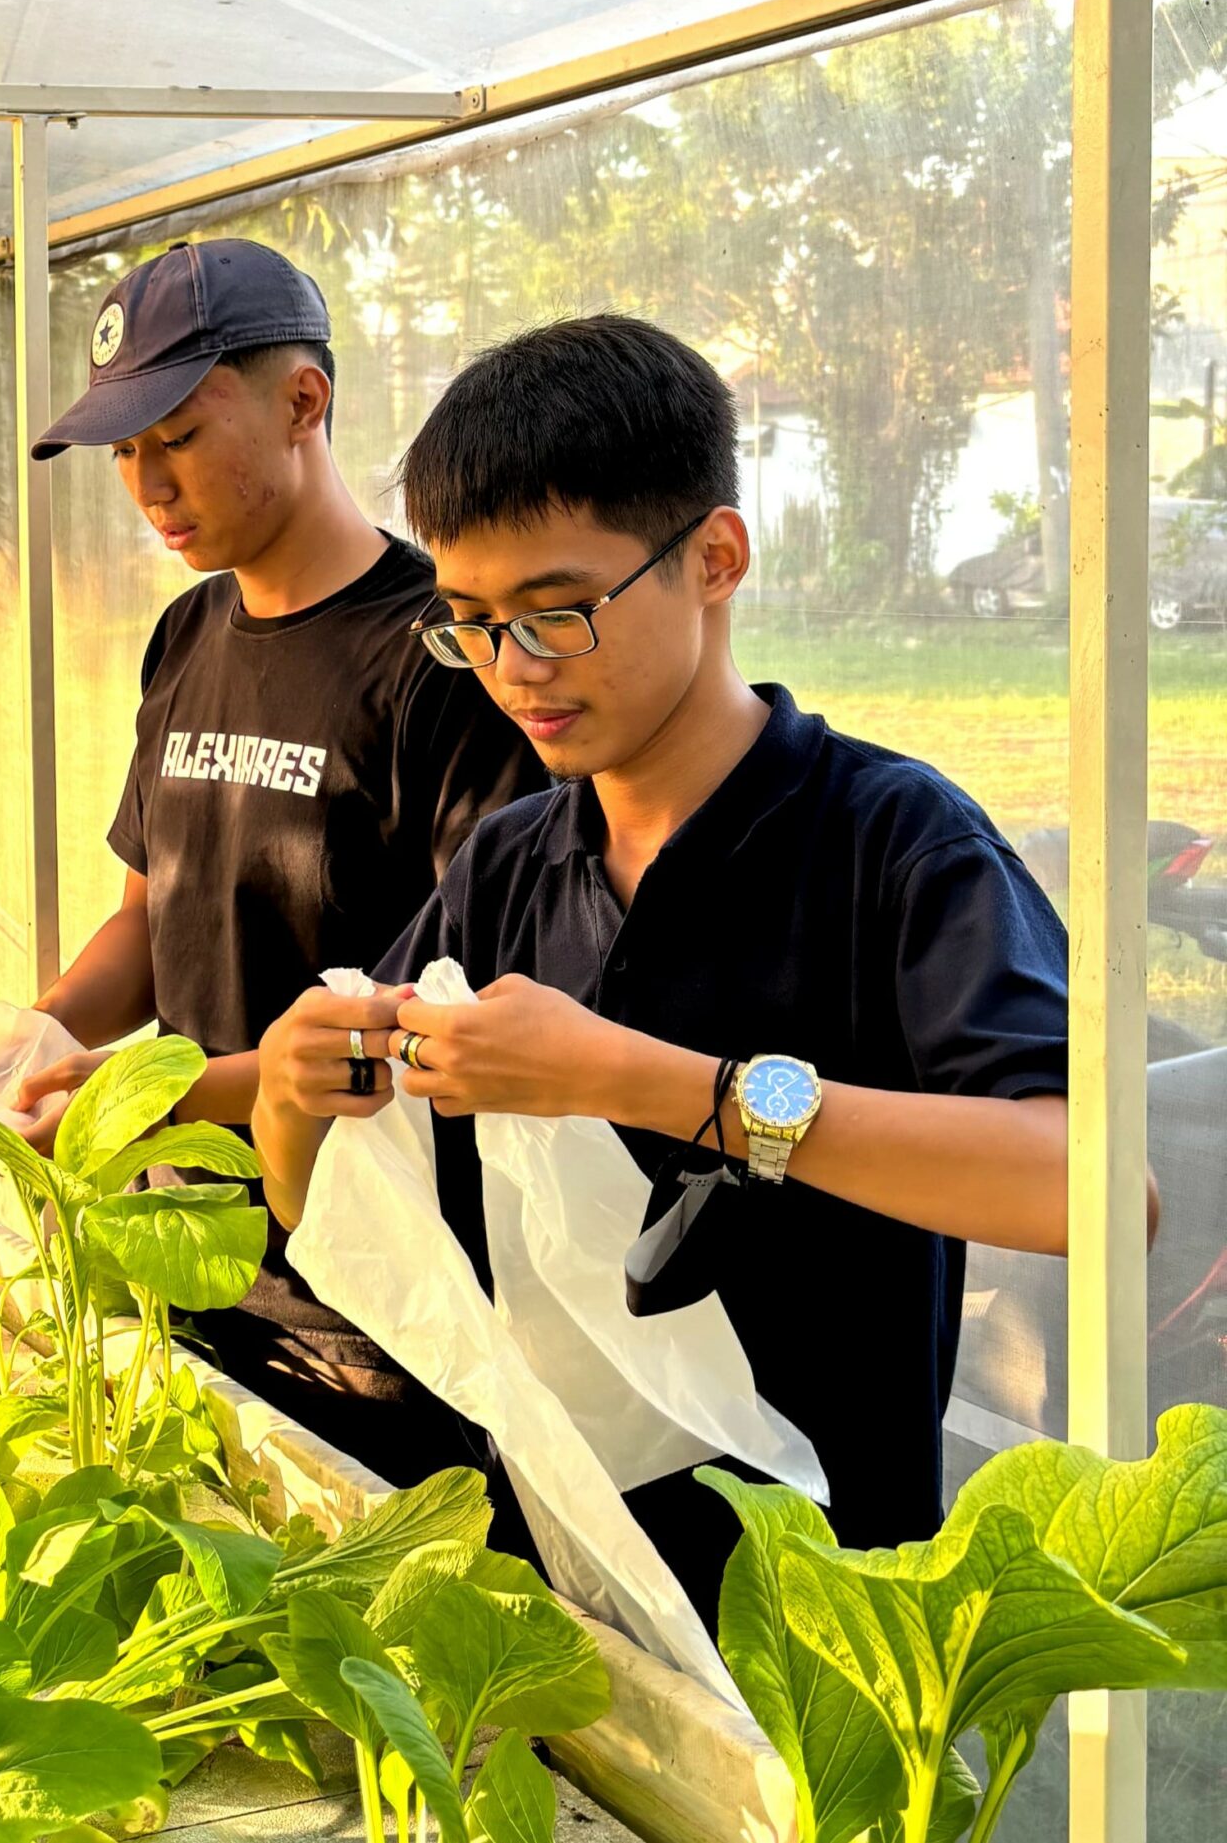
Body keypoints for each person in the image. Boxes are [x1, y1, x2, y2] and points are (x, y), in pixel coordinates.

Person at [252, 314, 1156, 1606]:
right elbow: (331, 1213)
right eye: (470, 624)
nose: (514, 672)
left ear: (714, 557)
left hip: (819, 1627)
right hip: (560, 1603)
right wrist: (294, 1097)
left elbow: (1102, 1192)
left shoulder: (891, 845)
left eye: (558, 613)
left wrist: (664, 1085)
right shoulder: (511, 866)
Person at [0, 239, 541, 1487]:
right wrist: (29, 1048)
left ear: (305, 402)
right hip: (193, 1250)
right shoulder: (187, 632)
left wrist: (137, 1103)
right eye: (124, 452)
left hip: (371, 1305)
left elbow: (438, 1026)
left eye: (177, 436)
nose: (145, 485)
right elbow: (150, 914)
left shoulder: (440, 661)